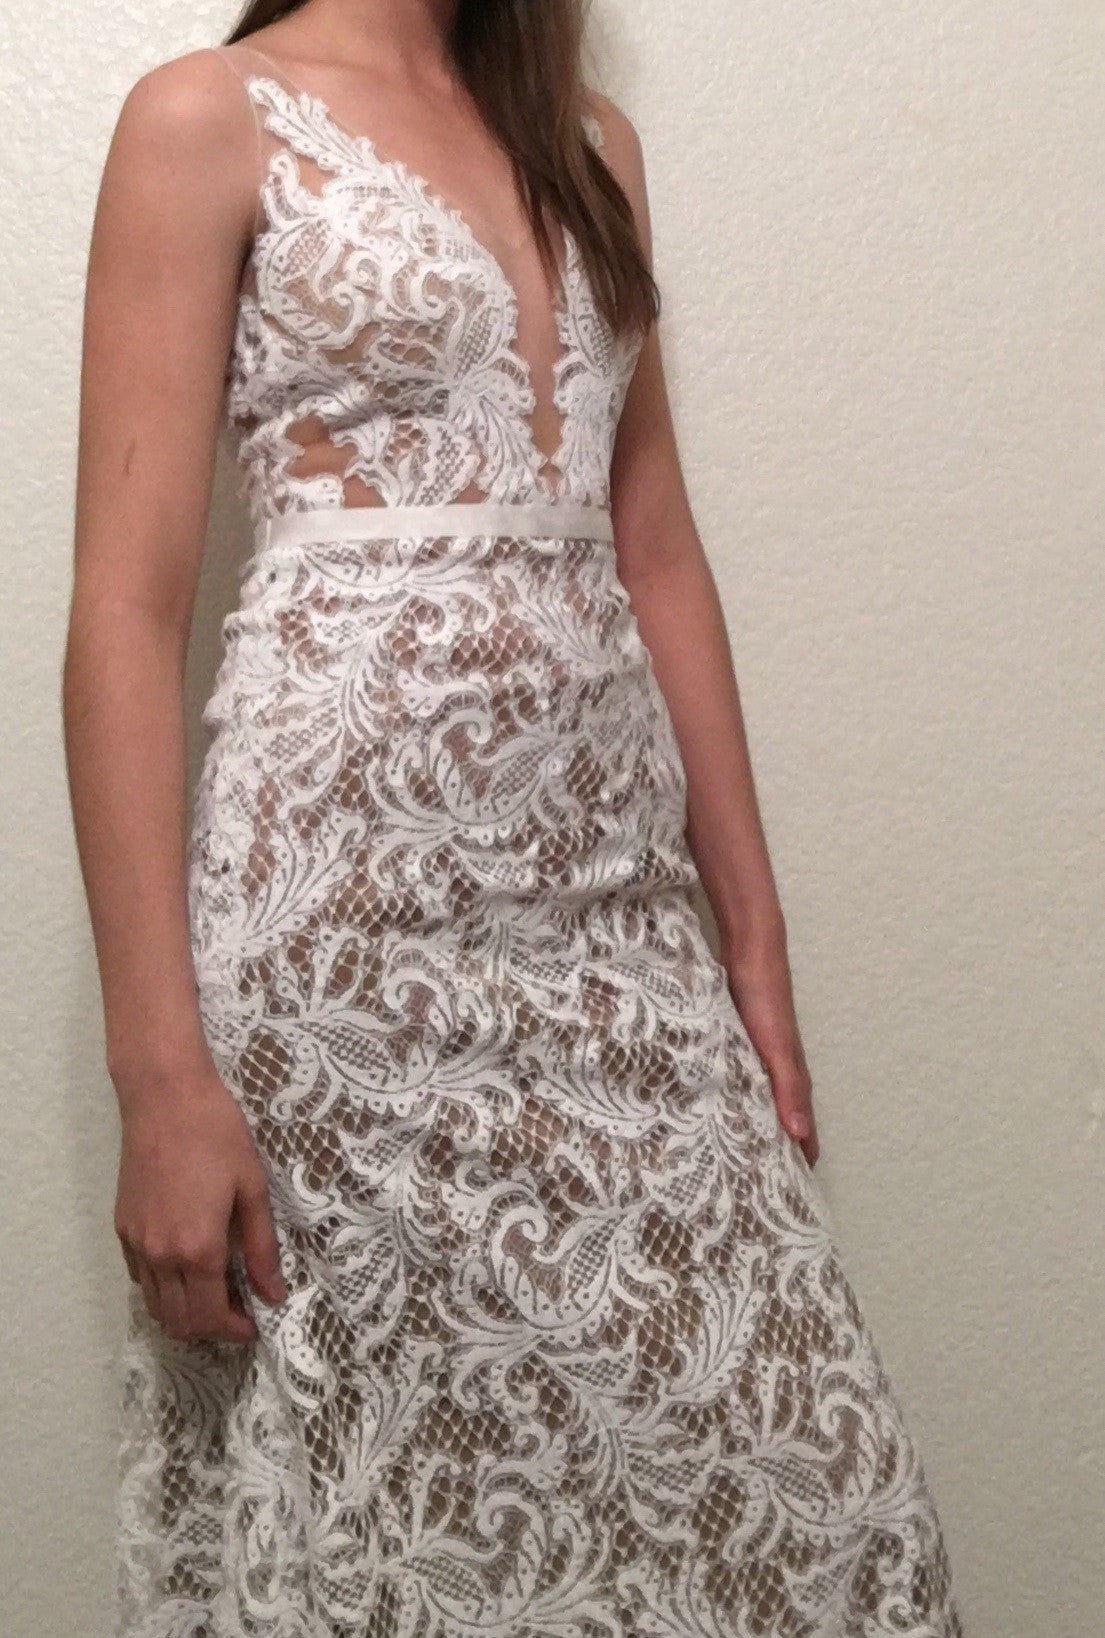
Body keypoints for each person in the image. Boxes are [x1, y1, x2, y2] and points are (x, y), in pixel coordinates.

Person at [62, 1, 964, 1632]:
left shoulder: (588, 148)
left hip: (615, 922)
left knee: (833, 1510)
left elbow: (654, 548)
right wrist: (159, 1073)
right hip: (341, 947)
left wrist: (750, 939)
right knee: (382, 1512)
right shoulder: (207, 117)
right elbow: (125, 612)